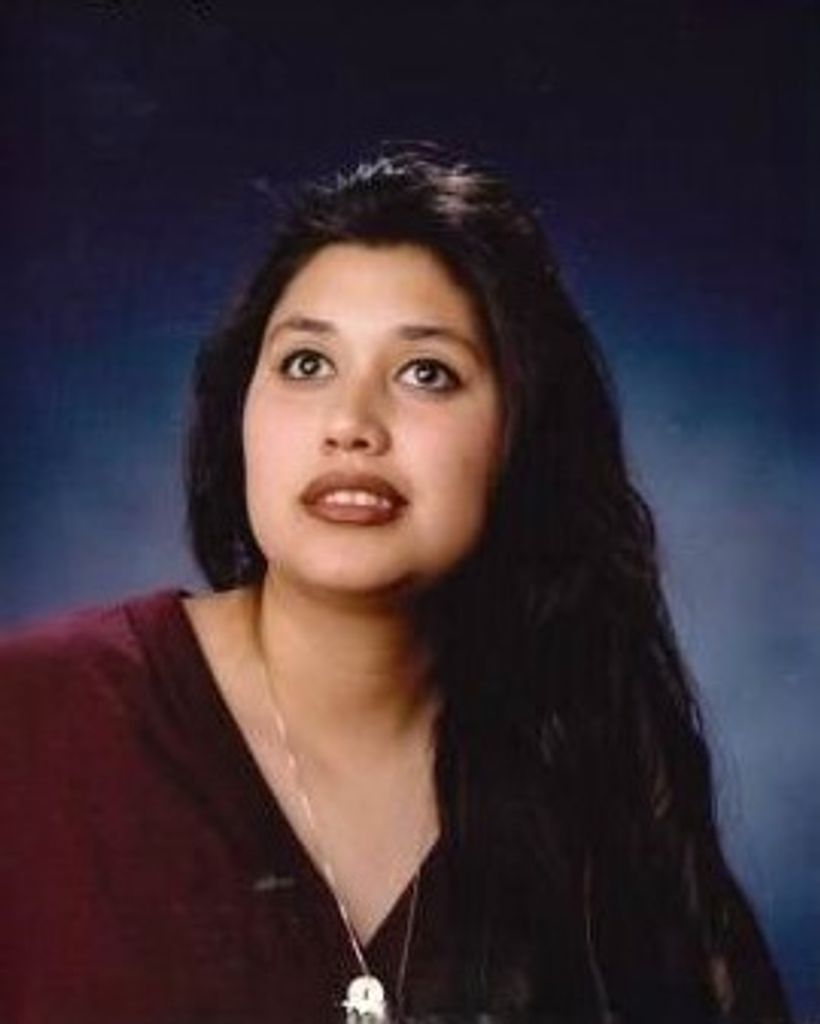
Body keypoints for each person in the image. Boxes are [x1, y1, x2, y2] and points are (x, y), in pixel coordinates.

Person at [0, 147, 790, 1024]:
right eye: (307, 364)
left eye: (427, 373)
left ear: (521, 438)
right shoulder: (34, 716)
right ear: (239, 413)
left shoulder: (596, 769)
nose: (351, 424)